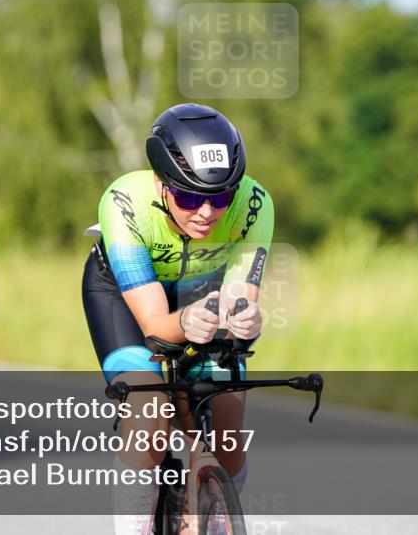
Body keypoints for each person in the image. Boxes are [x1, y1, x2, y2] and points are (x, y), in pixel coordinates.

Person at [82, 102, 273, 534]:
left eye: (220, 197)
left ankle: (211, 512)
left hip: (200, 289)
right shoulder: (125, 202)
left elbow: (240, 298)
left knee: (228, 434)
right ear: (160, 183)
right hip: (124, 296)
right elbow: (154, 324)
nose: (206, 213)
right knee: (148, 413)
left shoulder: (254, 202)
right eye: (188, 197)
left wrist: (245, 321)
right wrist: (185, 323)